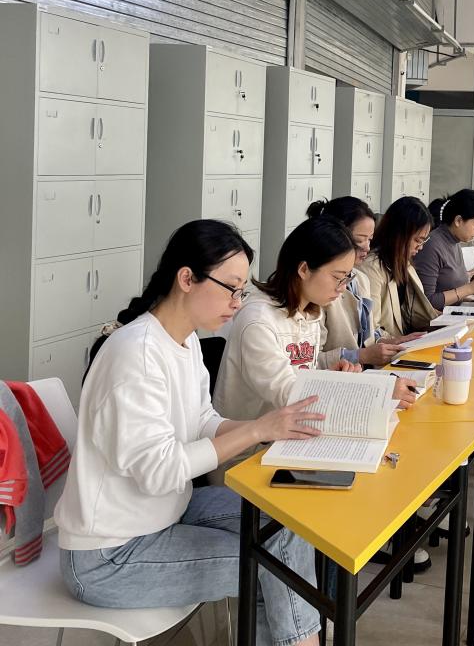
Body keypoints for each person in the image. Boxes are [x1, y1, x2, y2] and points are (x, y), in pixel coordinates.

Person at [53, 220, 323, 646]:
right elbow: (160, 471)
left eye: (241, 291)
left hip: (167, 513)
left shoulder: (185, 341)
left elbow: (202, 420)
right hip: (110, 556)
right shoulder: (135, 355)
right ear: (186, 278)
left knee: (287, 524)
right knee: (271, 564)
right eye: (231, 288)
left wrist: (272, 430)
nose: (236, 303)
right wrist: (256, 428)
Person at [213, 216, 417, 479]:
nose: (342, 288)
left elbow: (303, 366)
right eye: (337, 277)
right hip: (246, 458)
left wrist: (332, 372)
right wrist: (377, 392)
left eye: (347, 278)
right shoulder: (258, 321)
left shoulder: (310, 311)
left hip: (291, 442)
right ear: (304, 269)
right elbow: (289, 394)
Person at [307, 197, 416, 367]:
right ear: (336, 236)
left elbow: (367, 334)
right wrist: (360, 356)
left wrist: (393, 342)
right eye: (359, 240)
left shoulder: (360, 279)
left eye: (370, 239)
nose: (367, 247)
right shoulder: (318, 287)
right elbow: (310, 361)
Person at [360, 196, 439, 338]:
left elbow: (413, 313)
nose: (420, 247)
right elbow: (372, 330)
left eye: (423, 241)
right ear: (399, 235)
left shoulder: (404, 263)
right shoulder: (372, 268)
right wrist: (402, 341)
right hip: (391, 346)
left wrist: (447, 319)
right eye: (417, 240)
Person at [414, 189, 474, 310]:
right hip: (437, 319)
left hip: (453, 312)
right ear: (458, 221)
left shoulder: (454, 241)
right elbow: (427, 302)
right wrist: (470, 288)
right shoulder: (432, 245)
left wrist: (473, 289)